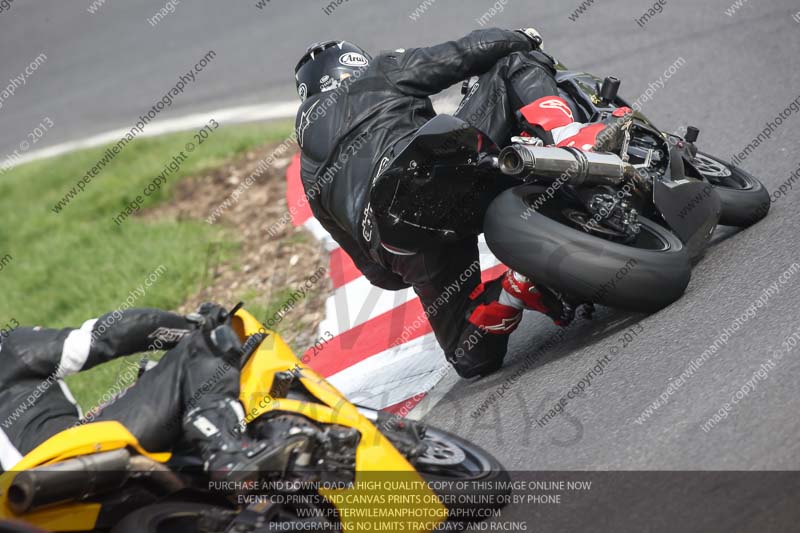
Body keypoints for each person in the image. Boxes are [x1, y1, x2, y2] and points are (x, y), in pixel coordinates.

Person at [293, 29, 630, 379]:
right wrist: (520, 39)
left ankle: (514, 291)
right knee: (514, 63)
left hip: (400, 241)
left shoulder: (309, 173)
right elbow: (463, 53)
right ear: (354, 64)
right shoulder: (377, 72)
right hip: (439, 168)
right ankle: (571, 140)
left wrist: (415, 256)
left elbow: (380, 277)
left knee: (470, 357)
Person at [0, 303, 292, 481]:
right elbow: (106, 337)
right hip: (69, 460)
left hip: (23, 508)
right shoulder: (9, 348)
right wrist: (194, 326)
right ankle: (226, 451)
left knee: (141, 381)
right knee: (205, 344)